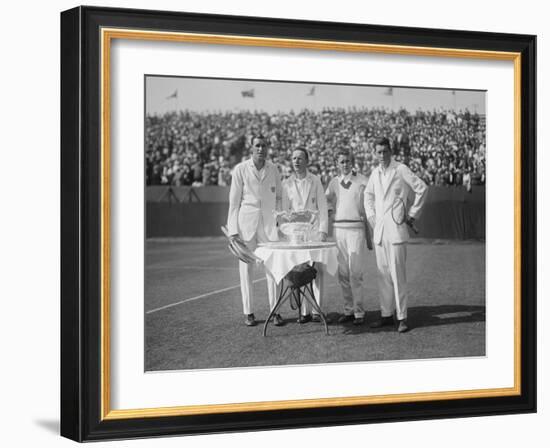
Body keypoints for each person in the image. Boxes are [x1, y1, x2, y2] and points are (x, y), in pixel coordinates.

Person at [364, 137, 428, 333]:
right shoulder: (375, 173)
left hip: (397, 232)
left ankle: (402, 317)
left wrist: (412, 214)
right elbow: (368, 196)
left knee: (397, 276)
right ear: (375, 154)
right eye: (378, 152)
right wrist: (372, 217)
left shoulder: (401, 169)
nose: (382, 155)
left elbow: (422, 188)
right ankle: (385, 315)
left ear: (390, 151)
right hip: (380, 233)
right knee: (383, 275)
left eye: (385, 151)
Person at [227, 135, 283, 327]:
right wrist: (233, 230)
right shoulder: (240, 169)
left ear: (268, 148)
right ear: (251, 148)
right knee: (246, 270)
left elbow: (280, 198)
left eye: (264, 146)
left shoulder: (274, 169)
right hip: (246, 225)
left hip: (269, 225)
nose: (261, 149)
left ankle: (274, 311)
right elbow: (234, 203)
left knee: (273, 269)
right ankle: (248, 312)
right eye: (257, 145)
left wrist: (279, 221)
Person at [281, 147, 329, 323]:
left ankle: (317, 310)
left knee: (317, 271)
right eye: (293, 158)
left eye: (300, 158)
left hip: (314, 232)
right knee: (300, 271)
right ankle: (304, 312)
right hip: (296, 235)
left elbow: (323, 207)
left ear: (307, 161)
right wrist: (287, 232)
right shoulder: (286, 183)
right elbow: (285, 212)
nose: (296, 161)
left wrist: (323, 230)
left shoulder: (315, 180)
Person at [325, 150, 370, 326]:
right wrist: (330, 211)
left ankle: (359, 312)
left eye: (348, 161)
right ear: (337, 164)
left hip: (356, 230)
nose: (345, 164)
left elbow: (371, 198)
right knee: (342, 274)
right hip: (338, 230)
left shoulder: (362, 181)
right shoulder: (334, 182)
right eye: (342, 162)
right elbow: (326, 199)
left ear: (353, 163)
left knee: (356, 273)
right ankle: (348, 310)